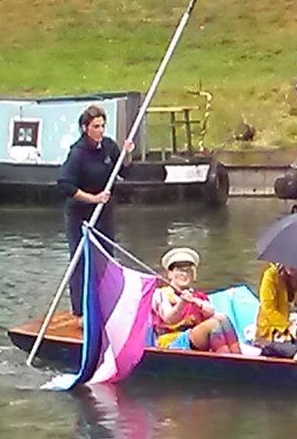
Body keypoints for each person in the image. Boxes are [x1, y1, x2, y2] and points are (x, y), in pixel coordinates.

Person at [57, 105, 134, 319]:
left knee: (106, 258)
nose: (100, 130)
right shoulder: (77, 153)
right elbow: (65, 185)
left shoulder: (109, 146)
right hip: (79, 215)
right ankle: (80, 312)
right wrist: (93, 198)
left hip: (104, 214)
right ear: (85, 128)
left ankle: (106, 304)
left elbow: (124, 172)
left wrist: (126, 154)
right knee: (80, 260)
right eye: (96, 126)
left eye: (102, 126)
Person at [151, 247, 241, 354]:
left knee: (222, 318)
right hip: (171, 342)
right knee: (213, 325)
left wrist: (197, 302)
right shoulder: (161, 294)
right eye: (179, 270)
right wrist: (182, 303)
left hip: (195, 339)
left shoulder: (198, 296)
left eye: (188, 271)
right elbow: (170, 319)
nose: (184, 274)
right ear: (170, 273)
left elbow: (210, 312)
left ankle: (238, 356)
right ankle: (228, 361)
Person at [254, 262, 297, 346]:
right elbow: (268, 309)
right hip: (274, 326)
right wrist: (288, 326)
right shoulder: (271, 275)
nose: (291, 265)